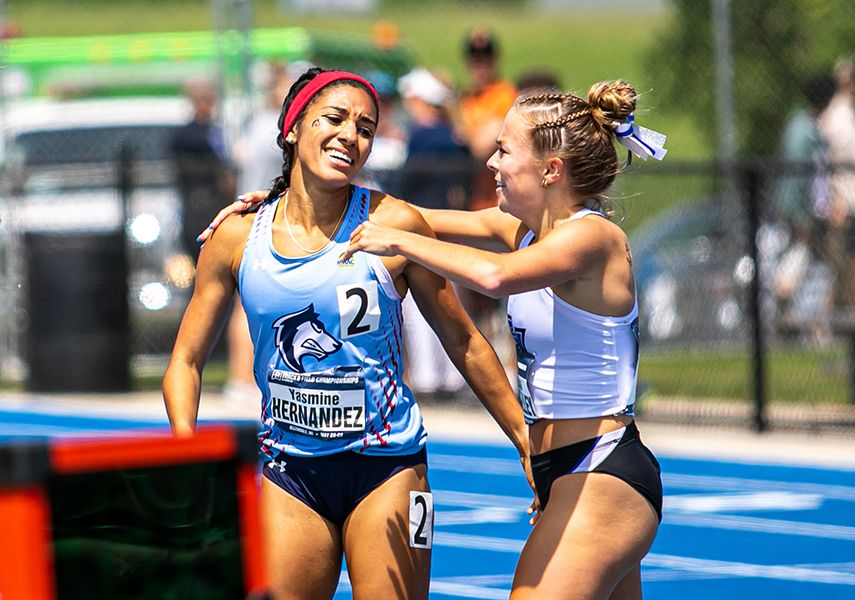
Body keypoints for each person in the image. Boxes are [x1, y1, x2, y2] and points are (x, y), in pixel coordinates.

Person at [204, 79, 667, 599]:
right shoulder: (528, 230)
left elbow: (493, 277)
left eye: (503, 151)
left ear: (549, 170)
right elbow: (413, 218)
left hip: (601, 467)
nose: (490, 162)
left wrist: (401, 241)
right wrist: (281, 200)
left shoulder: (592, 238)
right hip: (564, 469)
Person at [164, 68, 530, 599]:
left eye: (365, 128)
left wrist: (524, 440)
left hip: (389, 468)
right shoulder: (238, 236)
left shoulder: (393, 224)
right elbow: (186, 361)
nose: (349, 136)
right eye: (333, 118)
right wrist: (186, 455)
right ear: (292, 128)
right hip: (289, 470)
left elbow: (465, 341)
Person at [818, 56, 855, 311]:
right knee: (841, 267)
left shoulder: (845, 113)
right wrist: (833, 199)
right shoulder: (836, 116)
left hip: (848, 198)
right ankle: (828, 322)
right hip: (842, 199)